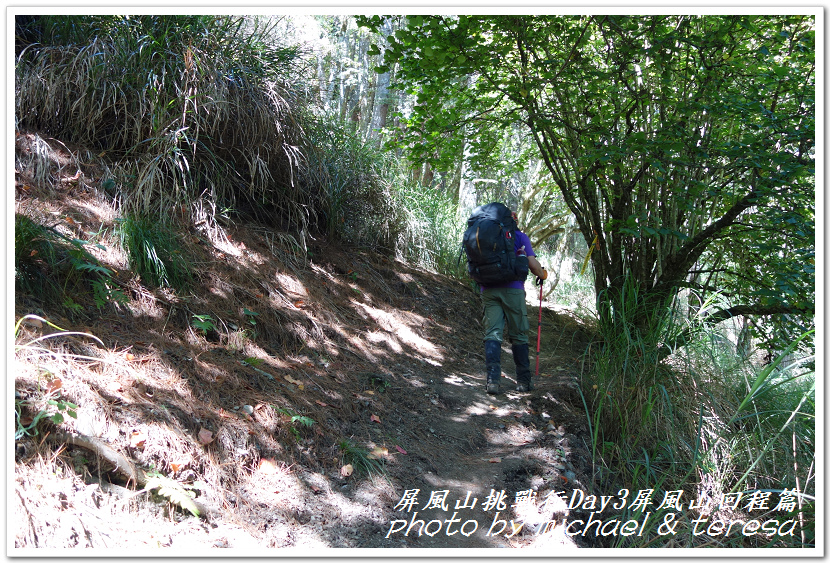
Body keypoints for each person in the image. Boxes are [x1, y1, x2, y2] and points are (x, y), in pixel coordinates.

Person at [480, 210, 547, 394]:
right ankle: (523, 382)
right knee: (519, 334)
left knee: (493, 333)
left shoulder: (486, 236)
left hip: (489, 289)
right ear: (515, 221)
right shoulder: (520, 237)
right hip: (513, 290)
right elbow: (533, 265)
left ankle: (492, 381)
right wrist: (543, 274)